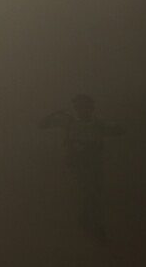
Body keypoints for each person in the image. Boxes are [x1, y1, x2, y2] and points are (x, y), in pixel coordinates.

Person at [40, 93, 122, 242]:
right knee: (88, 193)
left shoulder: (98, 123)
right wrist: (55, 114)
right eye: (80, 107)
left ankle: (88, 219)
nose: (83, 110)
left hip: (94, 164)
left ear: (91, 108)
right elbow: (43, 124)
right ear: (76, 108)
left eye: (86, 107)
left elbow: (118, 129)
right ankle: (94, 224)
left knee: (93, 194)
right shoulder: (70, 122)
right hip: (78, 164)